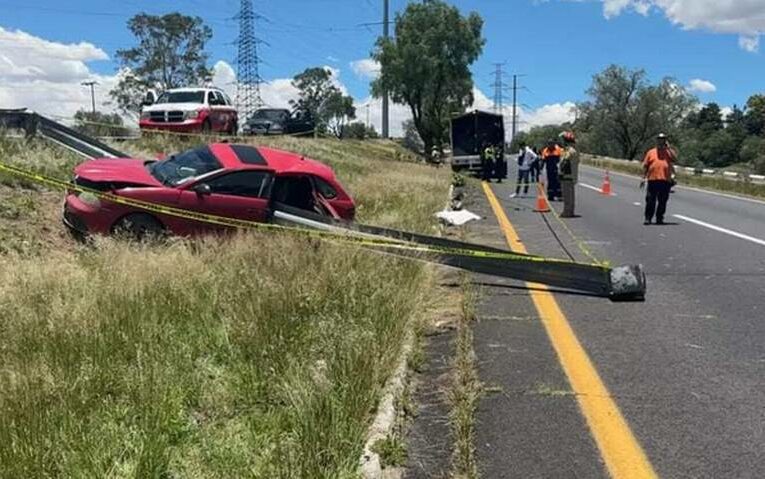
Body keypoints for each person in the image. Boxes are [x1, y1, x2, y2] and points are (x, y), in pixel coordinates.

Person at [642, 133, 677, 225]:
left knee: (662, 201)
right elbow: (646, 165)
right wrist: (643, 178)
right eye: (659, 139)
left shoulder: (669, 152)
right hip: (653, 179)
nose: (661, 141)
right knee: (650, 200)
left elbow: (675, 159)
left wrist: (668, 148)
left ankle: (659, 218)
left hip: (665, 180)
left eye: (663, 139)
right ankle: (648, 218)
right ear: (657, 141)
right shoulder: (651, 152)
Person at [559, 131, 580, 217]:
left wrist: (560, 172)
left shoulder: (569, 151)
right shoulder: (574, 150)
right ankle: (570, 211)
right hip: (572, 175)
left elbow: (565, 161)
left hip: (567, 175)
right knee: (571, 195)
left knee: (567, 195)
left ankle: (567, 212)